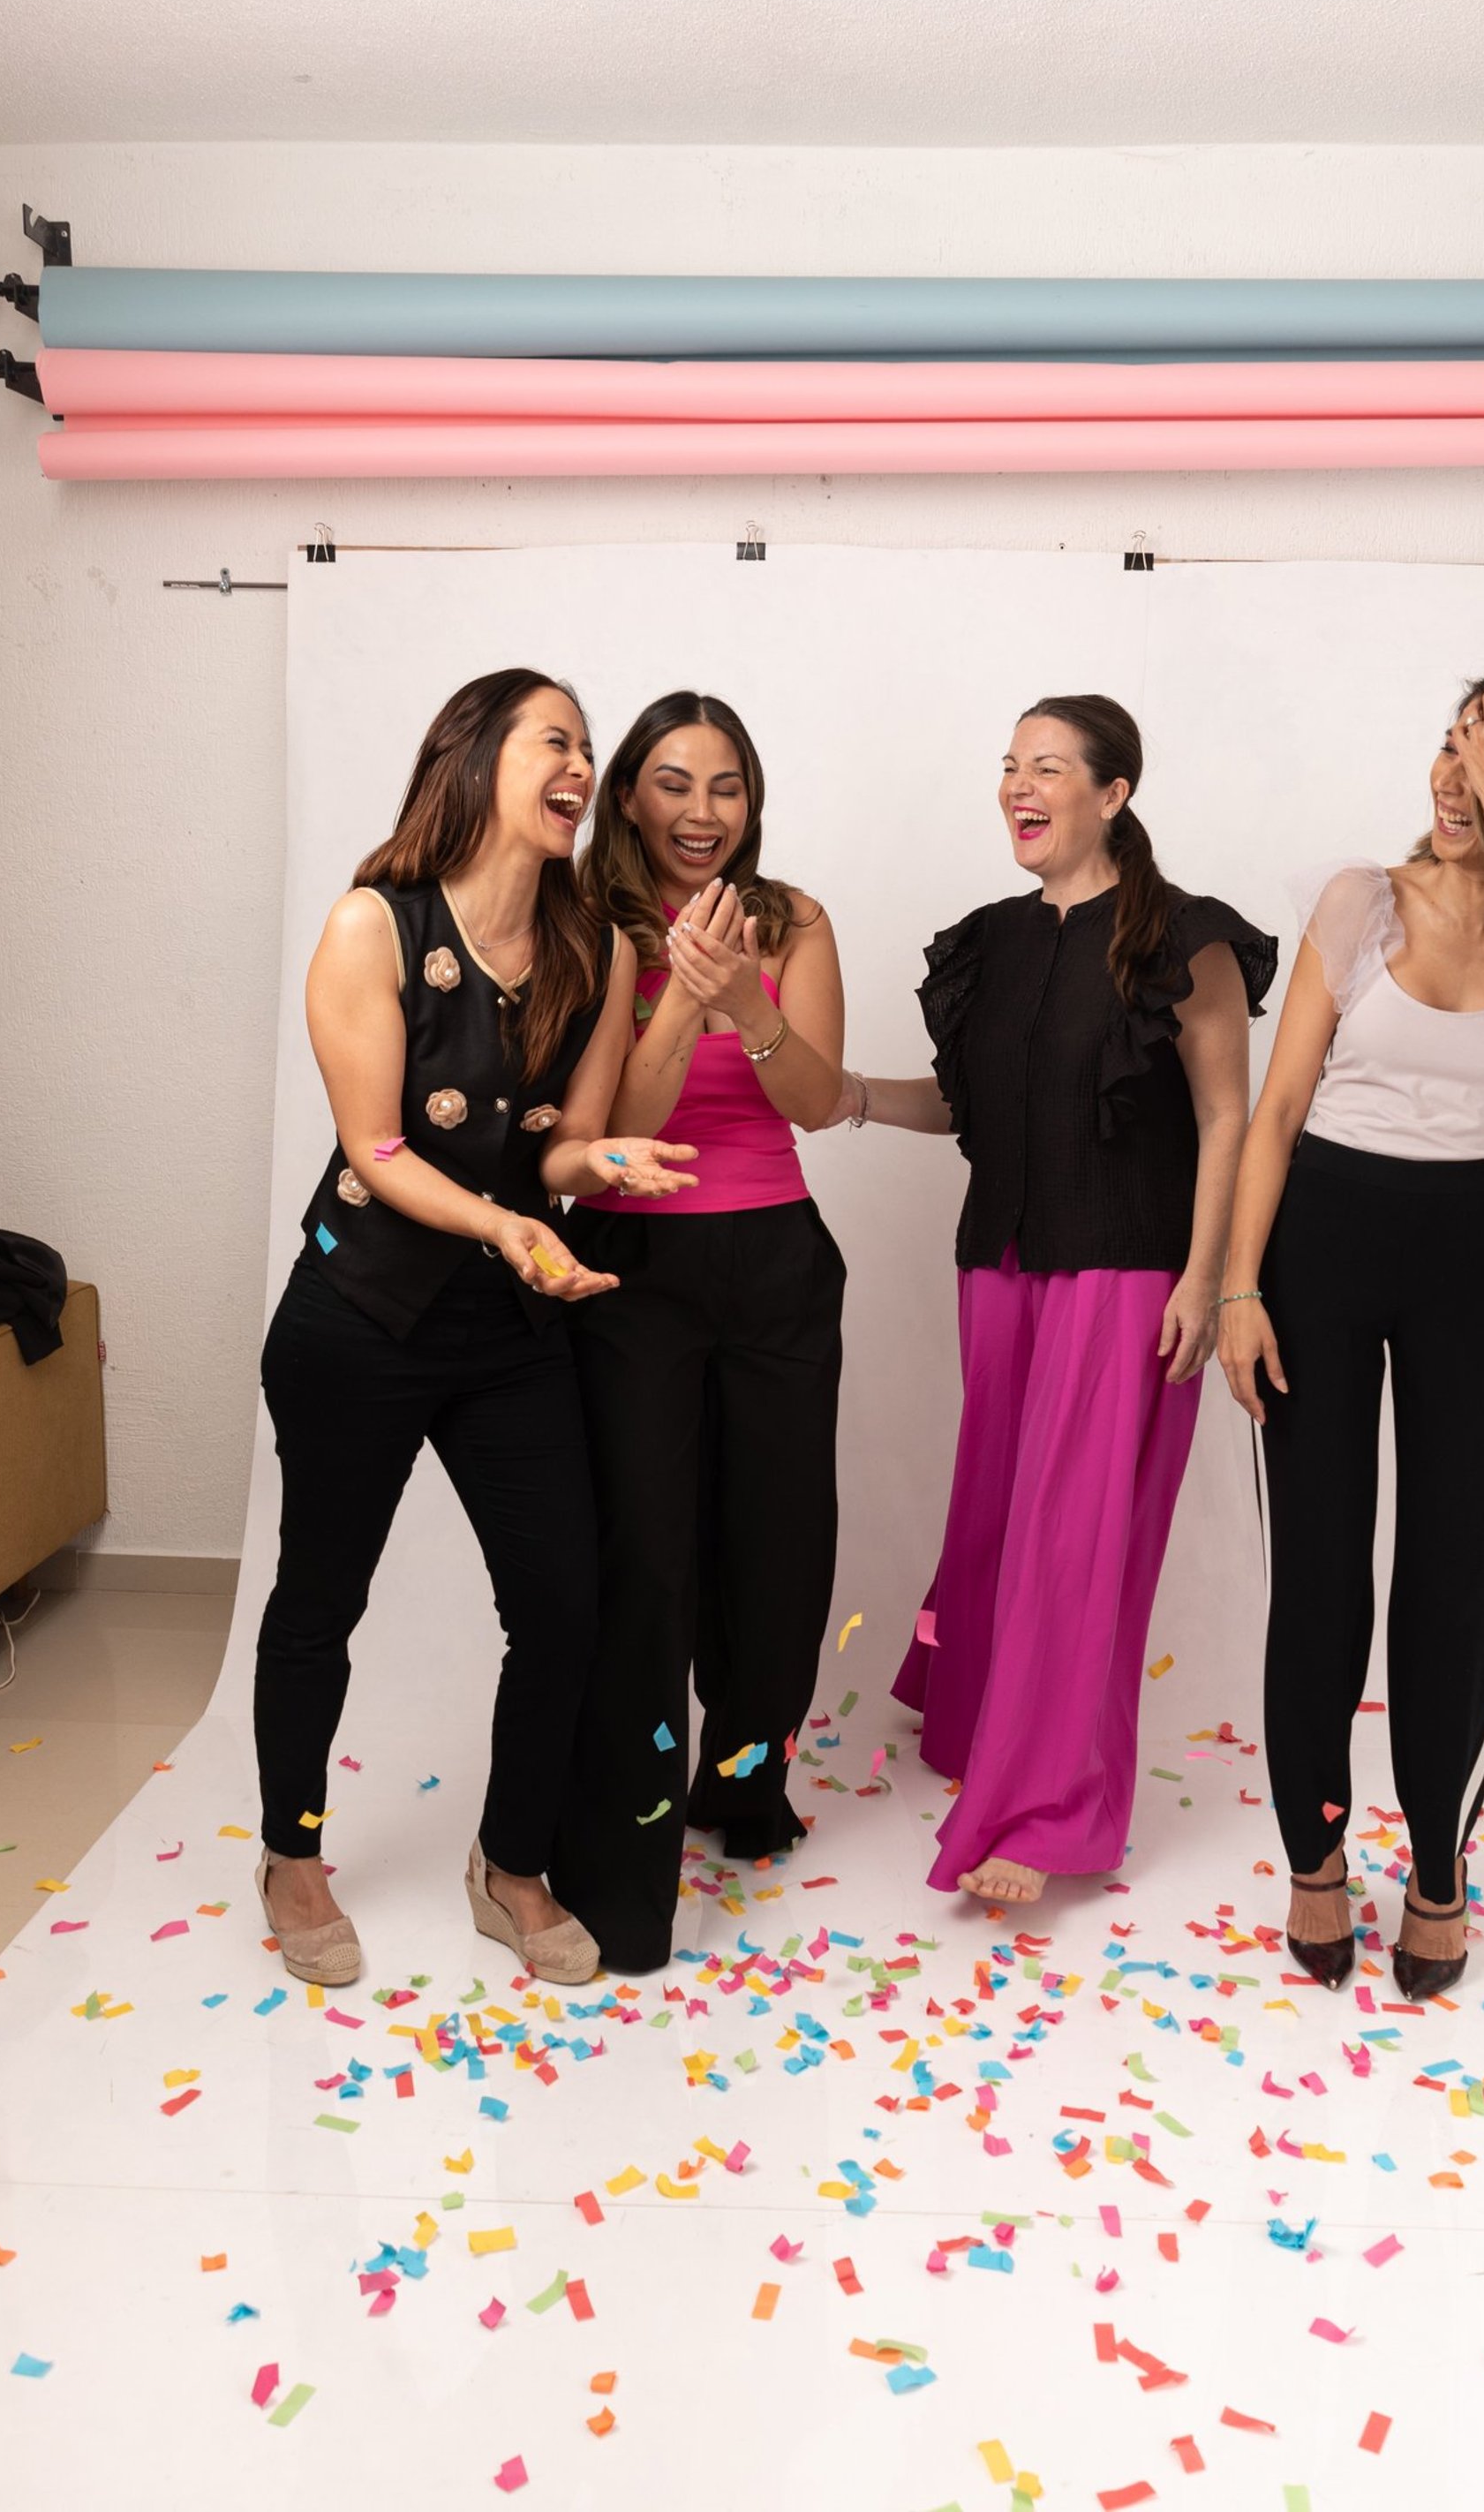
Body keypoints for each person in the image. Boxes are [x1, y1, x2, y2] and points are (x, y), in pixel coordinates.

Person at [252, 669, 695, 1989]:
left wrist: (593, 1167)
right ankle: (292, 1851)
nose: (580, 765)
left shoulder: (599, 946)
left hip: (503, 1332)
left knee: (563, 1602)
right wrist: (507, 1227)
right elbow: (379, 1150)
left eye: (586, 747)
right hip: (359, 1318)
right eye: (554, 740)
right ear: (476, 757)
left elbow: (549, 1150)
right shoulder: (370, 927)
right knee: (321, 1600)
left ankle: (510, 1865)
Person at [1217, 661, 1484, 2001]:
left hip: (1482, 1255)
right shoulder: (1358, 902)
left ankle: (1441, 1868)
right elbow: (1277, 1111)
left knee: (1454, 1581)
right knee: (1324, 1571)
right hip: (1324, 1241)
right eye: (1452, 749)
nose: (1455, 782)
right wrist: (1239, 1286)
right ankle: (1316, 1859)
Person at [832, 694, 1277, 1905]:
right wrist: (855, 1096)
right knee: (993, 1518)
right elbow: (965, 1105)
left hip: (1132, 1275)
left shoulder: (1188, 940)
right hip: (1001, 1268)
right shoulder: (990, 939)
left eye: (1047, 768)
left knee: (1075, 1548)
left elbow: (1228, 1116)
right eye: (1008, 767)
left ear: (1114, 793)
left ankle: (1052, 1811)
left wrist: (1205, 1277)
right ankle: (984, 1731)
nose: (1017, 788)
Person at [546, 691, 846, 1973]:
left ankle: (742, 1777)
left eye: (726, 788)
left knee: (776, 1544)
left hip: (779, 1257)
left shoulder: (793, 921)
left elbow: (823, 1100)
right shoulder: (594, 929)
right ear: (628, 796)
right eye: (674, 784)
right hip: (641, 1261)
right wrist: (681, 999)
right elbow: (613, 1137)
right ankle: (634, 1822)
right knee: (653, 1549)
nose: (702, 812)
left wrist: (749, 1003)